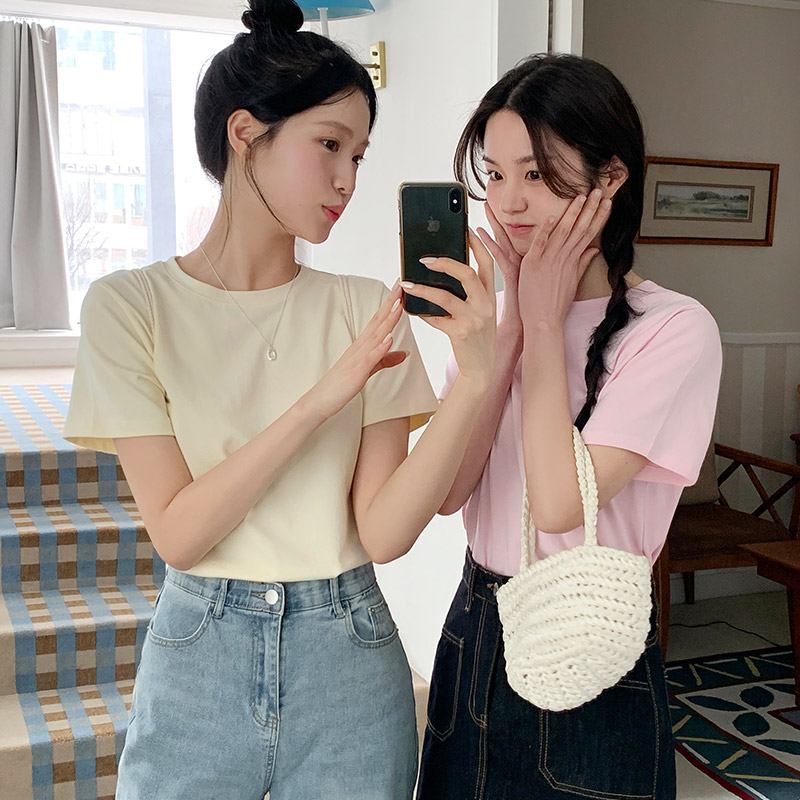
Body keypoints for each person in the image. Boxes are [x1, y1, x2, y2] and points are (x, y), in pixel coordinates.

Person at [63, 1, 498, 797]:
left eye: (359, 155)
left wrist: (474, 379)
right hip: (200, 660)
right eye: (329, 145)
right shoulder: (130, 306)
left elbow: (384, 533)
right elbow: (181, 534)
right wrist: (318, 400)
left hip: (349, 659)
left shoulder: (366, 309)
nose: (348, 180)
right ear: (245, 133)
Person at [409, 53, 723, 800]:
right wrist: (511, 331)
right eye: (495, 174)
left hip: (588, 638)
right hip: (474, 628)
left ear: (609, 179)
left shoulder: (674, 329)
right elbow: (449, 492)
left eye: (538, 174)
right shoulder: (498, 323)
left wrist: (545, 325)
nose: (510, 201)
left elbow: (558, 505)